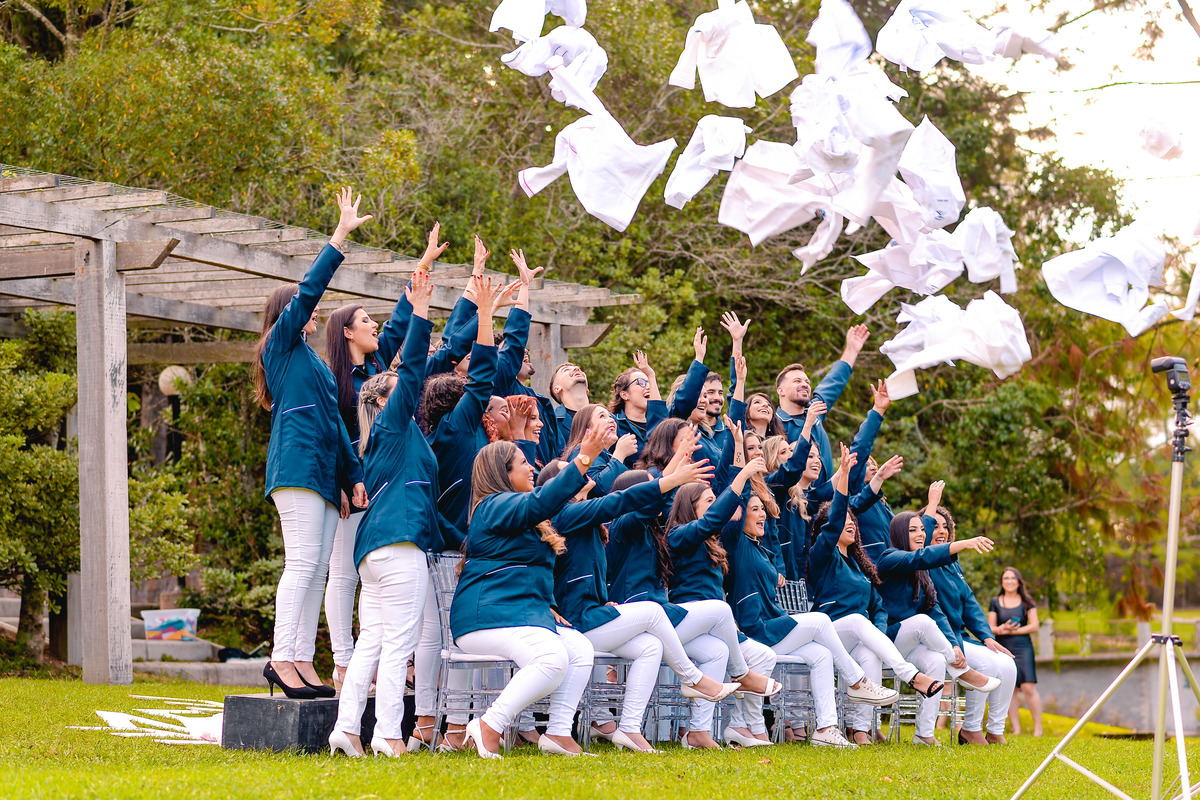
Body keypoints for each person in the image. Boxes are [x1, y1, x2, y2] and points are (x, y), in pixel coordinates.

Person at [668, 459, 898, 748]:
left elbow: (762, 522)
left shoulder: (749, 548)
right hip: (745, 626)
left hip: (741, 629)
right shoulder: (727, 538)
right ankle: (855, 681)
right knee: (819, 621)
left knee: (820, 654)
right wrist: (743, 468)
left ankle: (824, 728)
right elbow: (723, 510)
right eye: (754, 510)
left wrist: (842, 477)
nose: (761, 514)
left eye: (762, 510)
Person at [546, 446, 760, 753]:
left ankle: (630, 729)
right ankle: (696, 678)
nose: (579, 476)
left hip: (600, 616)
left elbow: (584, 578)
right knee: (682, 610)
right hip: (583, 621)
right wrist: (673, 479)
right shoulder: (612, 522)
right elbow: (643, 504)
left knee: (655, 646)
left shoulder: (594, 526)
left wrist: (603, 600)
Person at [327, 269, 451, 758]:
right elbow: (415, 366)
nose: (408, 394)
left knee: (373, 643)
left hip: (375, 551)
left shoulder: (386, 437)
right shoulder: (393, 424)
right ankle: (387, 735)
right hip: (398, 547)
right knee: (399, 644)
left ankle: (346, 728)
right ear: (383, 399)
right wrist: (420, 310)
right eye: (399, 391)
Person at [255, 187, 370, 699]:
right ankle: (281, 657)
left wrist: (352, 479)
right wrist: (339, 236)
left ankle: (302, 658)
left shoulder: (319, 366)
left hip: (325, 477)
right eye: (308, 308)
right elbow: (308, 292)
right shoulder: (279, 347)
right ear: (289, 314)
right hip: (297, 470)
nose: (316, 312)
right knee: (301, 565)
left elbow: (339, 428)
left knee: (318, 569)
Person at [807, 445, 947, 746]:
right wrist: (845, 475)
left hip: (857, 637)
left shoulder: (861, 565)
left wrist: (879, 633)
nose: (849, 523)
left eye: (852, 521)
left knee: (869, 653)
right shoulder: (821, 556)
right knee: (858, 621)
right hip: (828, 633)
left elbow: (879, 606)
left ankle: (861, 730)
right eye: (843, 520)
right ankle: (911, 676)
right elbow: (835, 518)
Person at [876, 499, 1003, 745]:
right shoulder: (890, 558)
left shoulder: (921, 572)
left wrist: (953, 644)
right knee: (922, 621)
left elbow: (935, 610)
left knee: (935, 659)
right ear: (900, 534)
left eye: (922, 530)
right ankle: (962, 672)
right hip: (888, 639)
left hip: (911, 644)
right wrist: (963, 543)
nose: (921, 534)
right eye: (913, 530)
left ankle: (924, 735)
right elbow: (920, 557)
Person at [928, 507, 1017, 745]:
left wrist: (987, 637)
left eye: (945, 527)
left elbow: (969, 603)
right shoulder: (921, 562)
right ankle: (970, 730)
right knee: (987, 663)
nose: (941, 531)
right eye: (934, 526)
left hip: (960, 637)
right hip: (939, 639)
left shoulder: (952, 565)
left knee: (1007, 664)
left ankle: (995, 731)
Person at [774, 324, 870, 503]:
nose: (805, 384)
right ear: (781, 391)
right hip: (796, 504)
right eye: (797, 381)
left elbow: (833, 382)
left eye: (807, 381)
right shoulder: (774, 425)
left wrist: (851, 350)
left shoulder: (814, 411)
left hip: (829, 501)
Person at [990, 566, 1044, 737]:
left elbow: (1034, 626)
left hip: (1023, 647)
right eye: (1006, 578)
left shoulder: (1027, 601)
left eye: (1013, 578)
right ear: (1002, 582)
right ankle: (1016, 729)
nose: (1009, 581)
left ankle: (1038, 728)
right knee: (1010, 688)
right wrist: (1001, 629)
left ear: (1019, 582)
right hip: (1003, 647)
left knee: (1028, 687)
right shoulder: (995, 601)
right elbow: (991, 627)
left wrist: (1014, 631)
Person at [559, 404, 638, 493]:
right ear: (587, 429)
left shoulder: (606, 454)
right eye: (602, 416)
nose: (612, 420)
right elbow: (600, 488)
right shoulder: (581, 451)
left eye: (610, 416)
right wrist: (620, 454)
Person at [609, 350, 668, 466]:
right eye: (641, 382)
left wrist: (651, 376)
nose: (648, 387)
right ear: (624, 395)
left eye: (649, 382)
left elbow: (657, 410)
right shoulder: (614, 424)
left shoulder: (660, 422)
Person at [548, 361, 590, 458]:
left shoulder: (610, 419)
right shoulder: (551, 423)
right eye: (566, 370)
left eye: (579, 369)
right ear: (557, 389)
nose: (576, 369)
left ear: (587, 390)